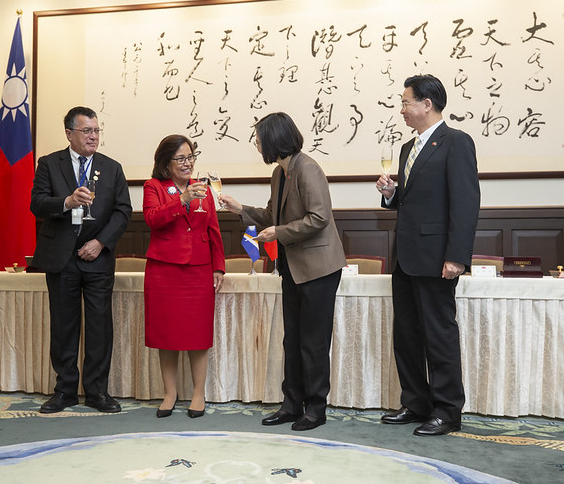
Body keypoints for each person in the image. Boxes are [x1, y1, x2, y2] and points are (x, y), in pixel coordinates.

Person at [219, 112, 345, 432]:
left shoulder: (307, 168)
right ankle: (292, 404)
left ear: (274, 138)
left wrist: (279, 233)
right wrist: (239, 209)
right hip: (293, 268)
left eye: (259, 137)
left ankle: (316, 409)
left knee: (313, 343)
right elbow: (268, 214)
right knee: (293, 340)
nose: (257, 143)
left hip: (318, 269)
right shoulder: (280, 172)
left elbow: (319, 218)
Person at [375, 74, 480, 436]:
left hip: (437, 259)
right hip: (405, 257)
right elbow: (409, 201)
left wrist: (457, 257)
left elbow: (466, 204)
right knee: (406, 334)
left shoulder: (456, 142)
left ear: (427, 104)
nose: (401, 109)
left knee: (439, 335)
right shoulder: (407, 149)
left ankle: (448, 411)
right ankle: (415, 402)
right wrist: (391, 193)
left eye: (406, 102)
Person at [31, 106, 132, 414]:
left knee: (100, 326)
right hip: (62, 258)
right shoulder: (49, 164)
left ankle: (97, 391)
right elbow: (37, 204)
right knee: (64, 326)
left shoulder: (111, 167)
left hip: (97, 258)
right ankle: (64, 391)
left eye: (97, 131)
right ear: (69, 134)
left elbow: (123, 210)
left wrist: (101, 242)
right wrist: (67, 201)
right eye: (87, 131)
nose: (93, 136)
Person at [143, 135, 225, 419]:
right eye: (181, 158)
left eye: (191, 157)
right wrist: (182, 200)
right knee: (166, 335)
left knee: (197, 335)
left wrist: (218, 266)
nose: (188, 163)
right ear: (166, 163)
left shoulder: (202, 189)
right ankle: (169, 393)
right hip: (164, 269)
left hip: (199, 270)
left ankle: (198, 394)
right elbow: (153, 219)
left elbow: (213, 229)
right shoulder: (153, 187)